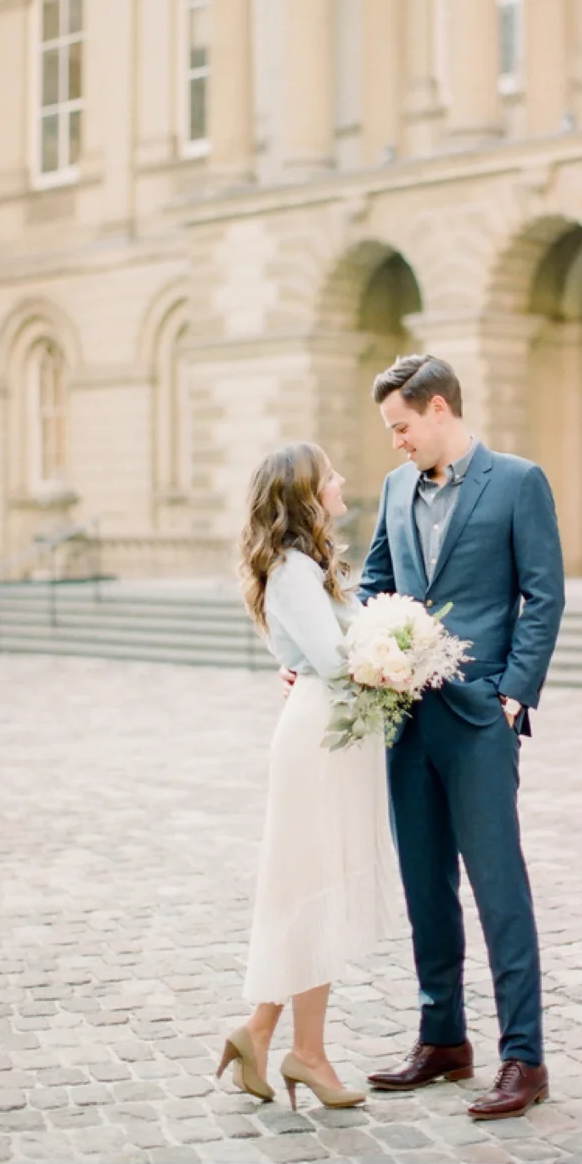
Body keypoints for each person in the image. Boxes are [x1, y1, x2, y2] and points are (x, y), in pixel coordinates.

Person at [358, 353, 564, 1120]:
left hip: (480, 719)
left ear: (438, 409)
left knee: (498, 888)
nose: (396, 442)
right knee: (425, 885)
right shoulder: (393, 489)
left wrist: (512, 695)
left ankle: (523, 1056)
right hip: (405, 717)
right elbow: (374, 580)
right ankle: (442, 1039)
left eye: (401, 426)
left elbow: (544, 593)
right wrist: (352, 644)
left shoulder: (517, 481)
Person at [217, 443, 399, 1111]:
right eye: (330, 476)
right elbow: (332, 656)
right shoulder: (293, 569)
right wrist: (396, 645)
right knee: (312, 888)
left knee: (307, 886)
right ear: (304, 493)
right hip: (320, 735)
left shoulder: (301, 565)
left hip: (329, 729)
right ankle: (306, 1052)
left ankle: (264, 1032)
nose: (341, 480)